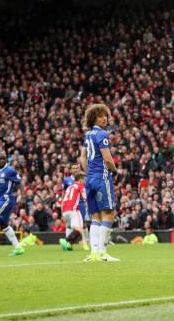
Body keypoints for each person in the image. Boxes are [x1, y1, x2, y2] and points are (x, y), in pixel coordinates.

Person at [80, 104, 119, 262]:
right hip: (102, 178)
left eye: (106, 116)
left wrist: (89, 172)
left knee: (95, 216)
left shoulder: (88, 135)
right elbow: (108, 159)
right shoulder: (102, 133)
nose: (105, 118)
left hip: (89, 178)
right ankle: (103, 253)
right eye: (101, 116)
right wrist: (115, 171)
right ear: (93, 118)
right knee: (109, 213)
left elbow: (82, 157)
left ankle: (94, 253)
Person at [63, 163, 89, 251]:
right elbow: (85, 197)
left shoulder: (70, 186)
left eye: (77, 168)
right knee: (78, 227)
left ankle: (70, 244)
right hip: (74, 208)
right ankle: (66, 241)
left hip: (67, 208)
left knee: (78, 226)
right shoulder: (73, 182)